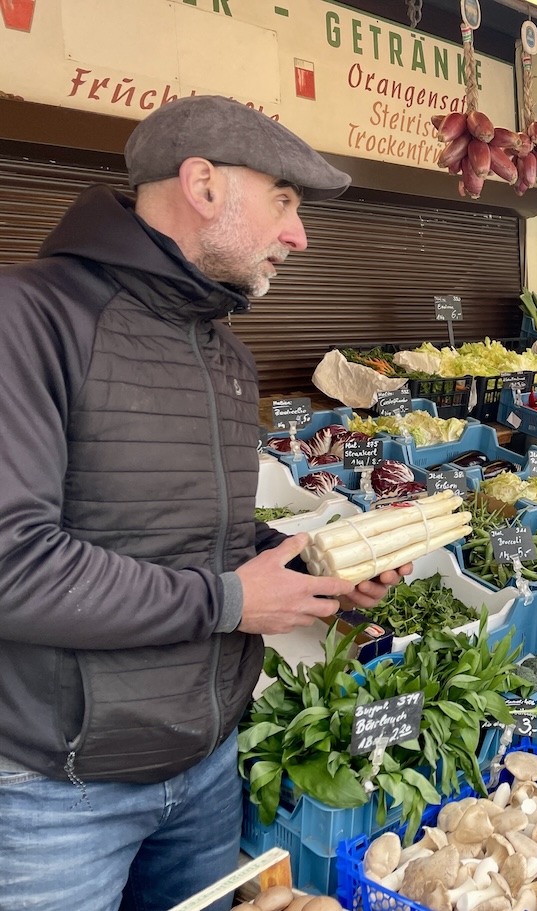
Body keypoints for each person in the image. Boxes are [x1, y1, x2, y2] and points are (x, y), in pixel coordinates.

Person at [0, 96, 406, 911]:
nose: (300, 234)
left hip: (207, 765)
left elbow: (199, 532)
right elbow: (14, 564)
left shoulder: (225, 350)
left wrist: (315, 569)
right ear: (203, 185)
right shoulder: (30, 316)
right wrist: (231, 600)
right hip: (58, 791)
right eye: (286, 201)